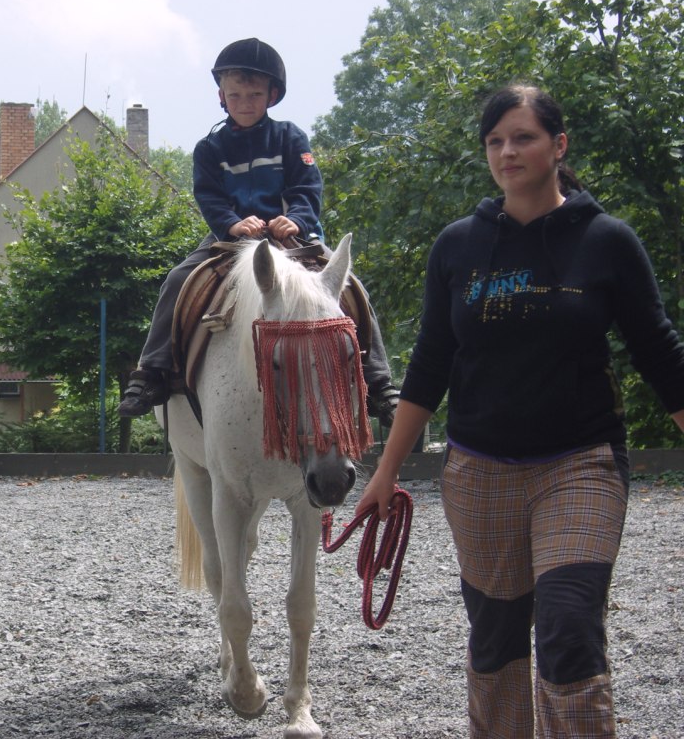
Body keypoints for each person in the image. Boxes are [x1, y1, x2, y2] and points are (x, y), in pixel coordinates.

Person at [358, 84, 684, 737]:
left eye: (523, 138)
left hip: (581, 464)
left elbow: (661, 356)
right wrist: (385, 471)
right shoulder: (458, 246)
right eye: (495, 141)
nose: (507, 151)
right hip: (479, 472)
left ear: (558, 146)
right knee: (497, 638)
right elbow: (429, 366)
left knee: (568, 627)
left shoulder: (607, 241)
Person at [118, 37, 400, 423]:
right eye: (235, 95)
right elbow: (209, 196)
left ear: (272, 95)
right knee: (178, 279)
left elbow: (307, 186)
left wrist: (296, 218)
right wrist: (232, 223)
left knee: (350, 284)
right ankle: (151, 372)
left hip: (291, 237)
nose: (245, 103)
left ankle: (378, 380)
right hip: (231, 238)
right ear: (222, 96)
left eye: (254, 94)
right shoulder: (209, 148)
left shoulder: (290, 137)